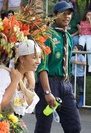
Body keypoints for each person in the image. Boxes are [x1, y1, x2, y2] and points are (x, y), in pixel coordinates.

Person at [34, 1, 81, 133]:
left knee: (74, 126)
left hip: (66, 85)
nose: (67, 17)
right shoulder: (46, 35)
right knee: (43, 127)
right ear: (54, 15)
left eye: (69, 14)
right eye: (63, 13)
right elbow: (43, 66)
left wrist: (68, 87)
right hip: (49, 84)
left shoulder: (67, 36)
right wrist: (47, 92)